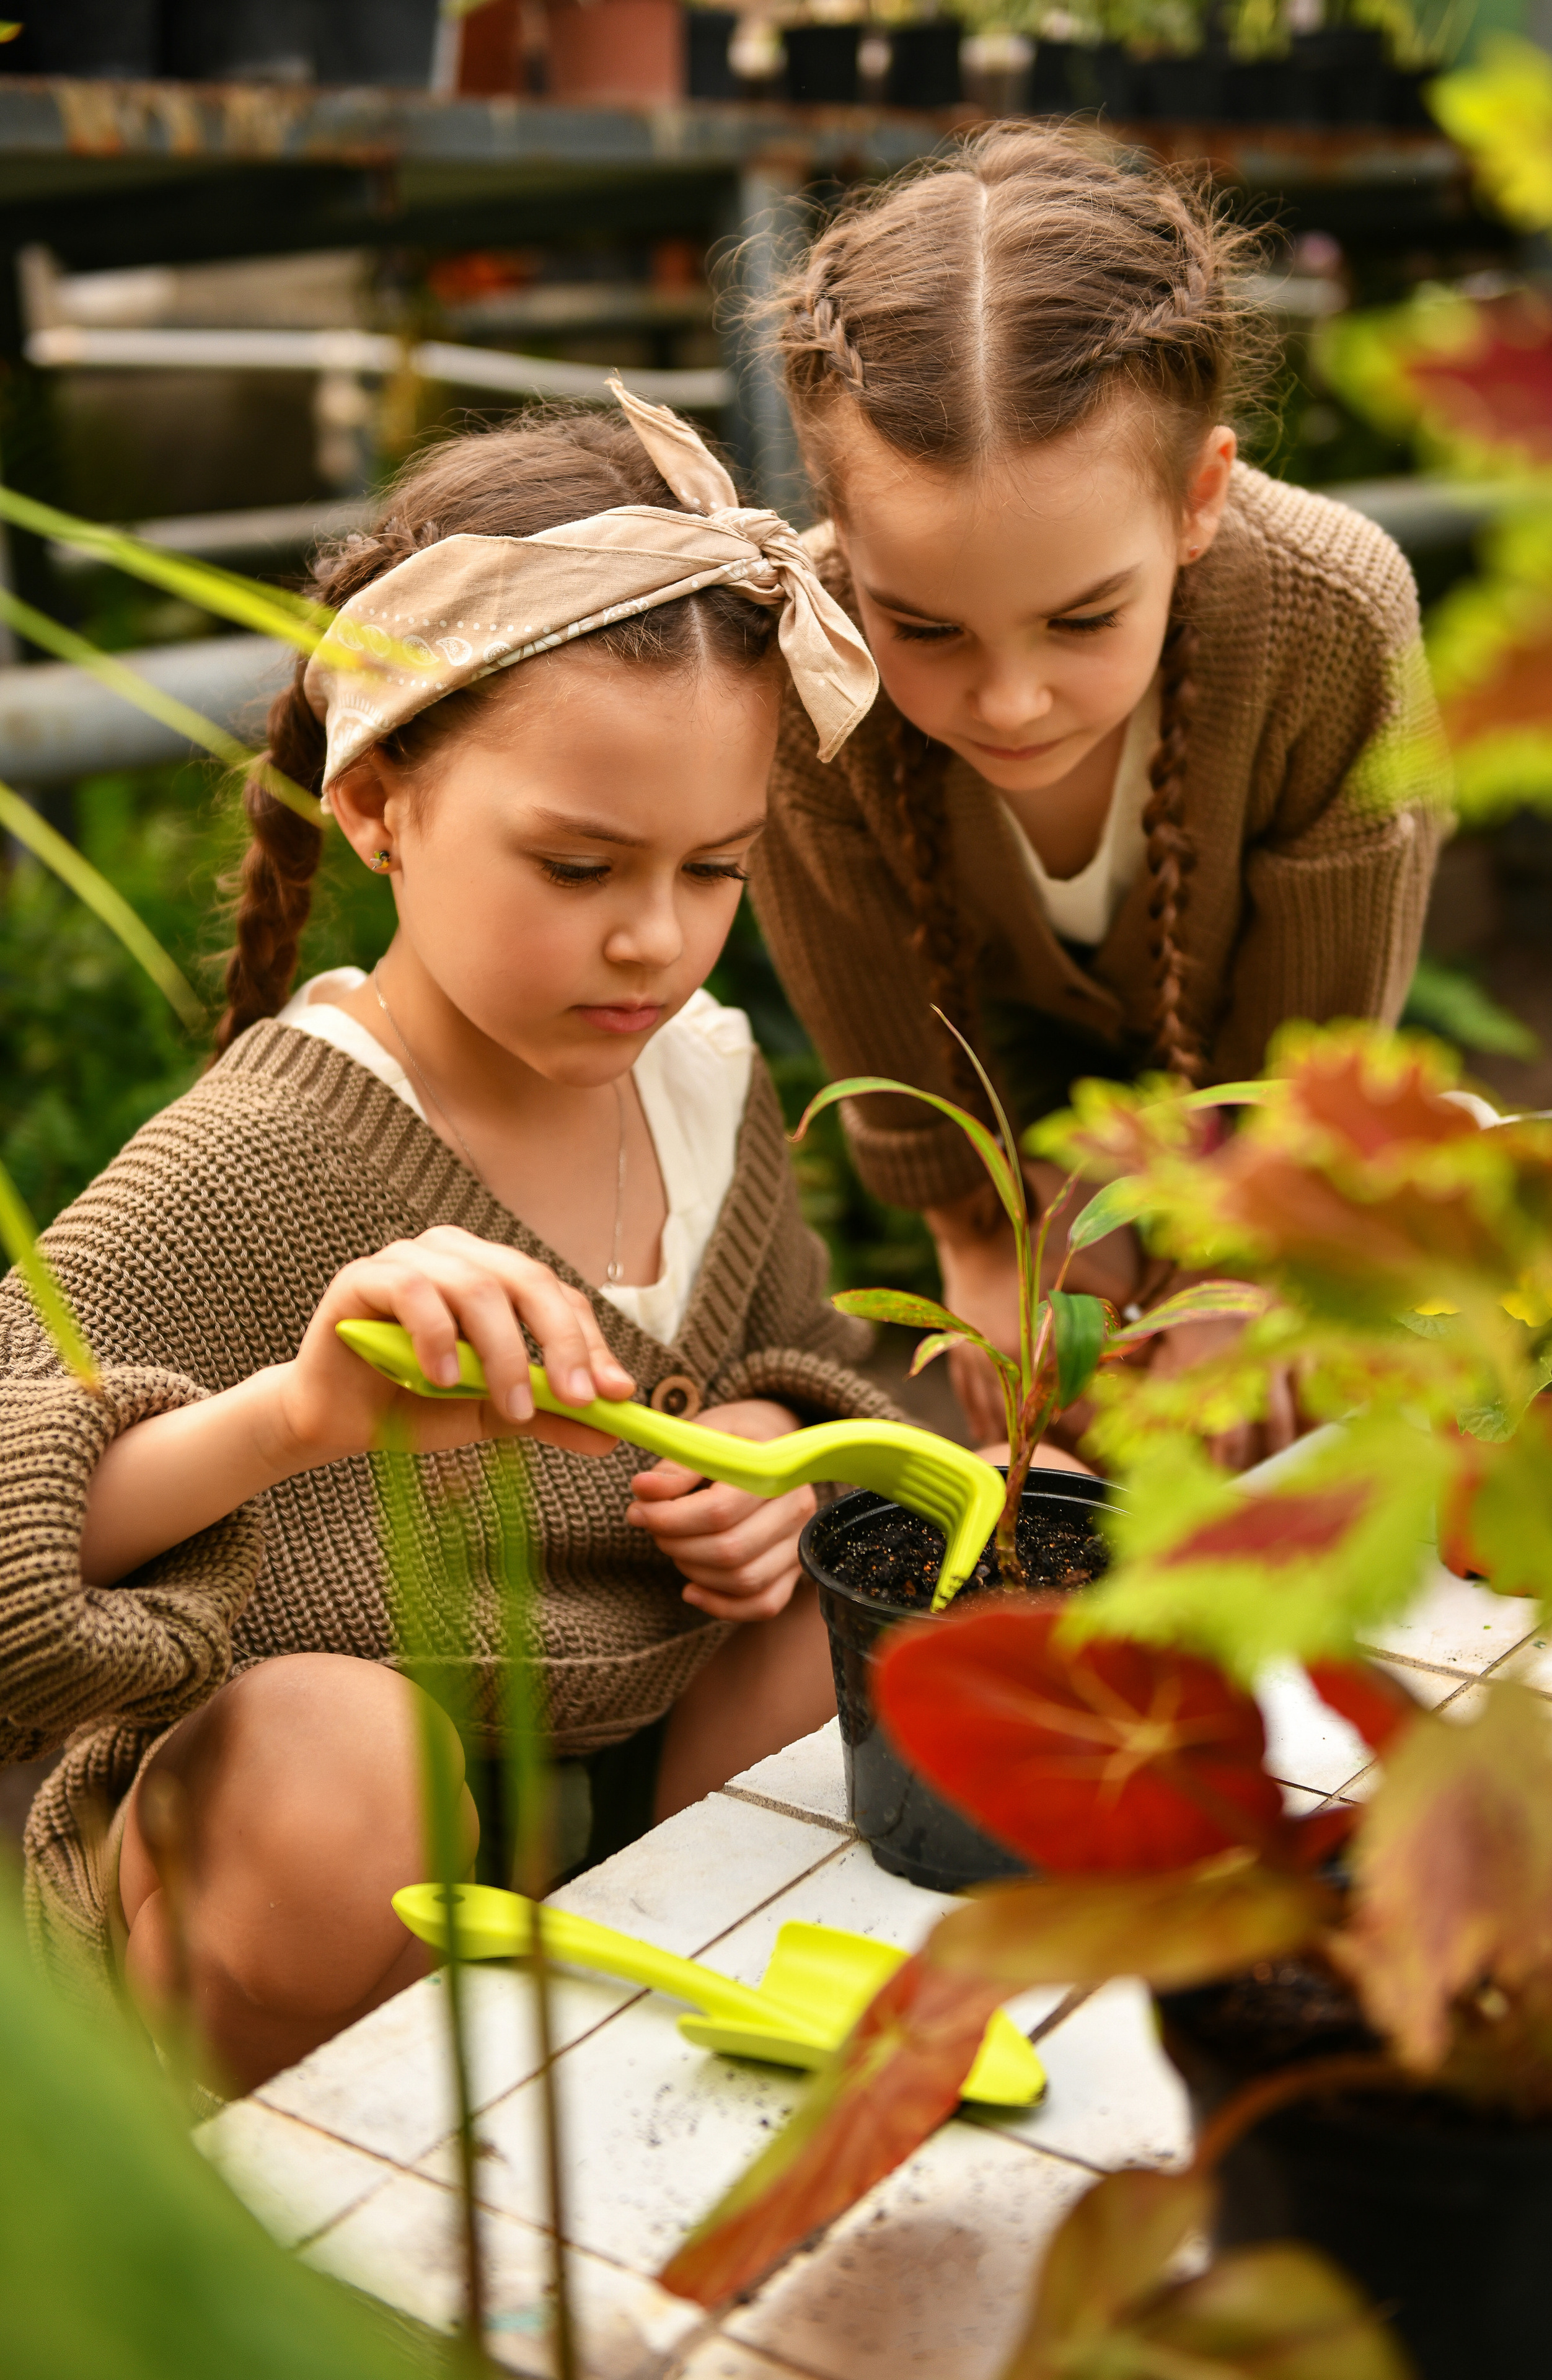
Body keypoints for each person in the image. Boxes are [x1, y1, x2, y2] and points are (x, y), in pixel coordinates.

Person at [0, 390, 887, 2089]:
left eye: (715, 871)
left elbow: (819, 1353)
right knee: (335, 1763)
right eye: (577, 866)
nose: (655, 941)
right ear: (379, 804)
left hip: (640, 1793)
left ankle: (670, 2102)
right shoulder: (263, 1154)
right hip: (311, 1877)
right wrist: (291, 1417)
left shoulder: (706, 1081)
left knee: (880, 1589)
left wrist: (777, 1446)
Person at [750, 125, 1452, 1449]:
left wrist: (1237, 1264)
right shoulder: (805, 663)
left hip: (1260, 1089)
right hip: (1014, 1102)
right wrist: (976, 1239)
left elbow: (1316, 1016)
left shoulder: (1330, 619)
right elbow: (871, 996)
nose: (1009, 701)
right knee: (1063, 1399)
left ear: (1198, 497)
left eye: (1081, 620)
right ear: (841, 528)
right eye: (927, 629)